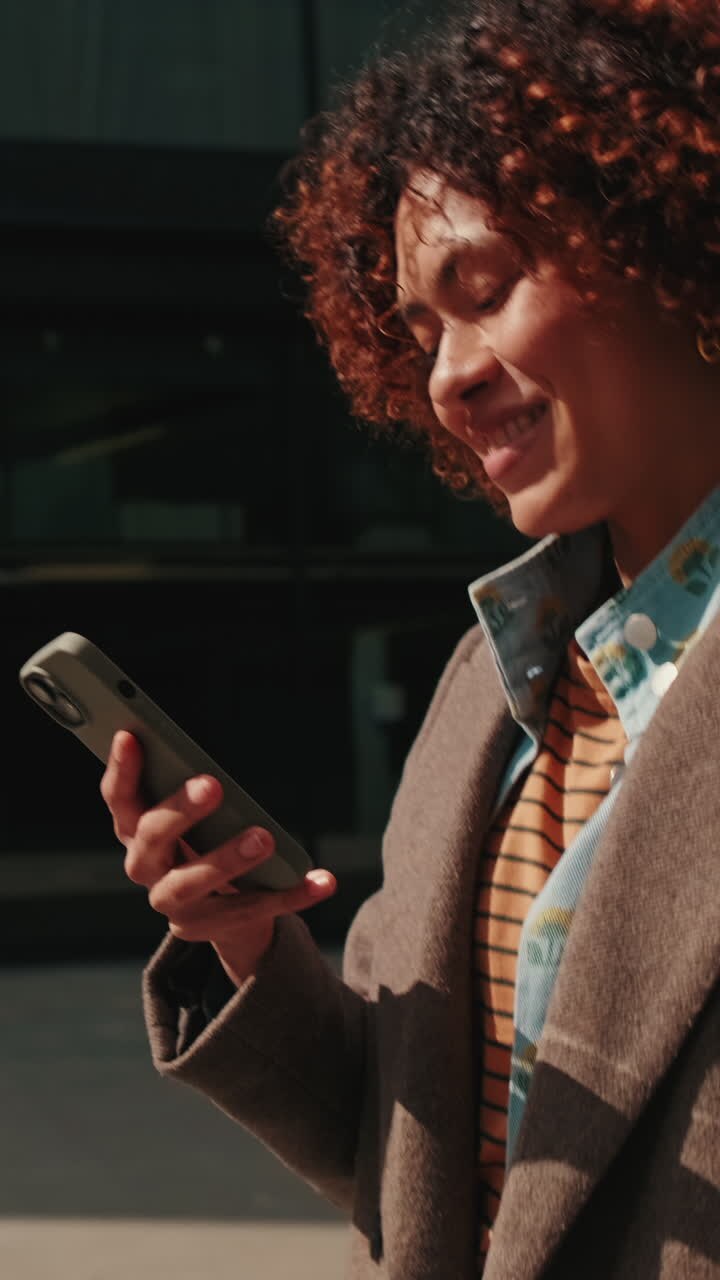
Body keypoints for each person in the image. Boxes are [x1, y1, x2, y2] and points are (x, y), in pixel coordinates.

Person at [100, 2, 720, 1275]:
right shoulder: (494, 678)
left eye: (484, 292)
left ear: (671, 240)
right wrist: (254, 949)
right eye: (420, 328)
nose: (445, 374)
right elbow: (424, 1163)